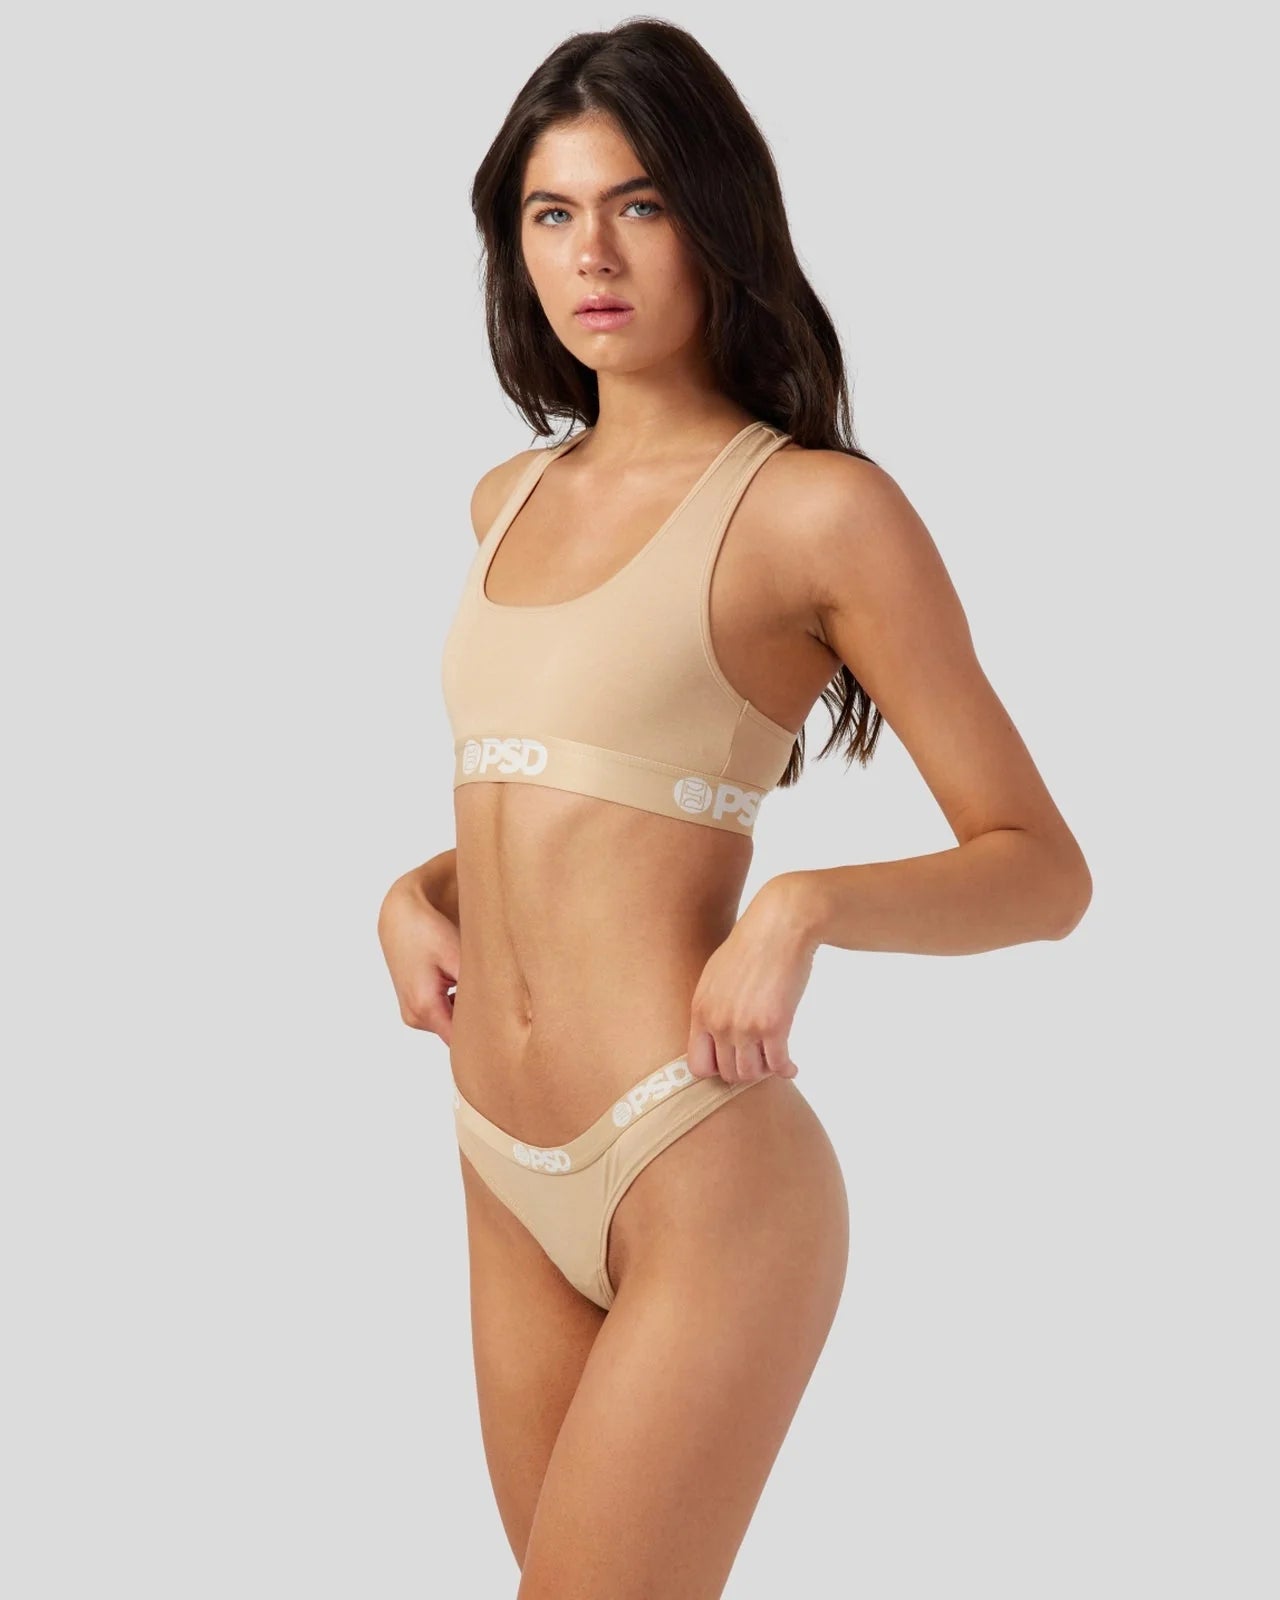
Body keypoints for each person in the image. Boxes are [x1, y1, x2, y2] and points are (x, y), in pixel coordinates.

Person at [377, 18, 1091, 1598]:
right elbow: (570, 797)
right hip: (498, 1159)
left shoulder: (817, 511)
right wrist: (411, 892)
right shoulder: (507, 498)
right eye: (552, 213)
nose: (593, 254)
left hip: (694, 1159)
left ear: (716, 216)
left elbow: (1043, 870)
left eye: (638, 204)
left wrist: (802, 908)